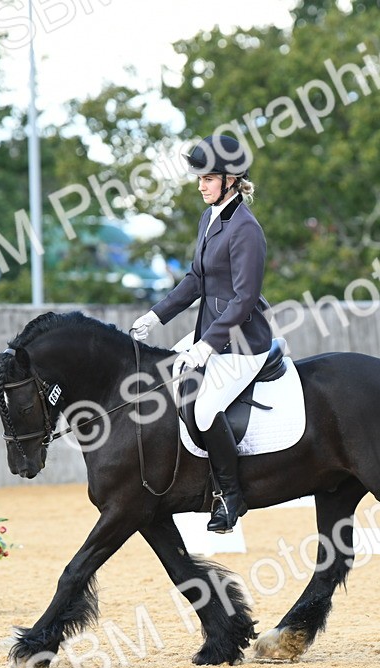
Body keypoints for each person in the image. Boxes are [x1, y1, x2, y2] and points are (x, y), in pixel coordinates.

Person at [130, 134, 273, 533]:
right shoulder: (209, 218)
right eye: (200, 178)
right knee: (161, 381)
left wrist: (208, 345)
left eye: (208, 178)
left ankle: (231, 497)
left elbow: (244, 299)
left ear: (231, 179)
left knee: (206, 408)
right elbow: (196, 279)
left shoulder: (246, 229)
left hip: (244, 342)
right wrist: (156, 316)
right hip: (209, 333)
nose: (200, 185)